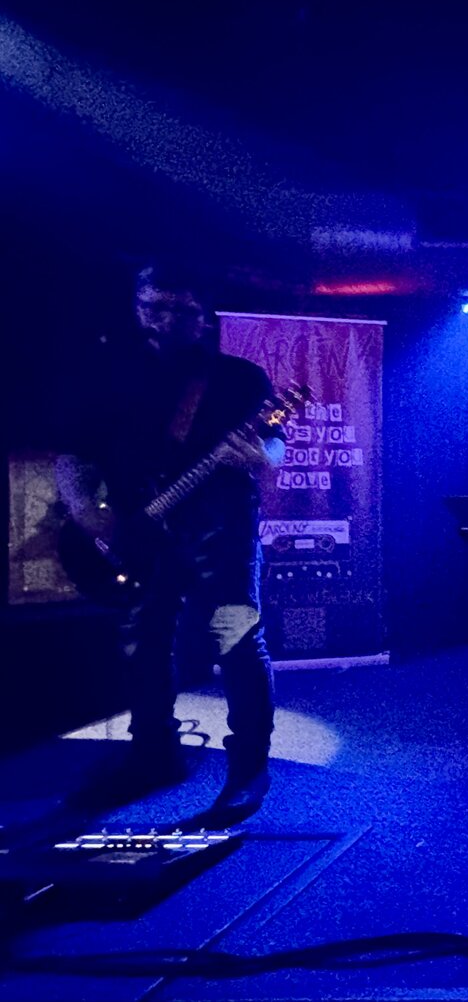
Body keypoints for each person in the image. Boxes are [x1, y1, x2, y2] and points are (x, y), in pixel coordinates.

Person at [55, 263, 284, 822]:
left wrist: (261, 456)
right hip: (140, 530)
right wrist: (88, 512)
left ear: (204, 317)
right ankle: (152, 755)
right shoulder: (109, 374)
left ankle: (248, 768)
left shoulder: (239, 378)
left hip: (221, 529)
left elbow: (275, 438)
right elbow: (74, 451)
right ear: (136, 306)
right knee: (144, 640)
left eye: (180, 309)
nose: (163, 320)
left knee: (236, 639)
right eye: (152, 306)